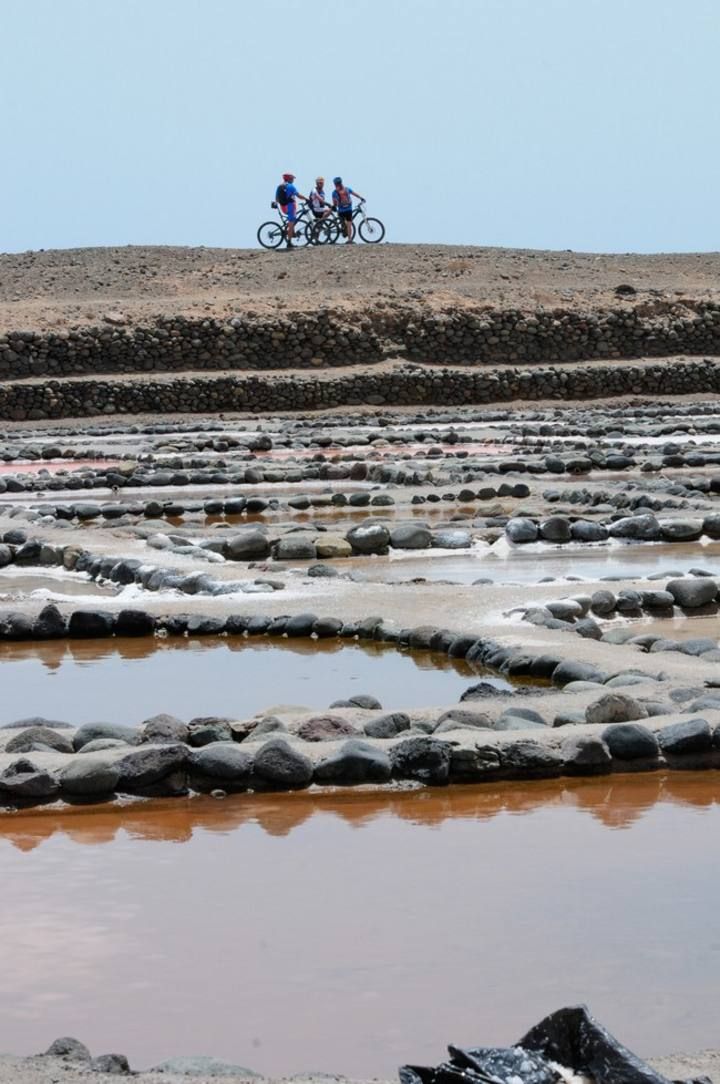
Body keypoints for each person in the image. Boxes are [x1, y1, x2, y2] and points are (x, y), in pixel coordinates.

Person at [275, 173, 307, 248]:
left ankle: (292, 232)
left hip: (283, 207)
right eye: (292, 178)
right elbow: (298, 195)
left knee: (292, 222)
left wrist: (277, 205)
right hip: (290, 207)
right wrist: (306, 199)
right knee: (291, 224)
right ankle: (289, 242)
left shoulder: (279, 186)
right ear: (289, 178)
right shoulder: (290, 186)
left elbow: (276, 198)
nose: (293, 180)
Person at [332, 177, 365, 243]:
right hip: (348, 210)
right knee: (349, 225)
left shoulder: (334, 192)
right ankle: (349, 239)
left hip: (341, 211)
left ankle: (344, 231)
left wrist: (334, 206)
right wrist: (361, 198)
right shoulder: (347, 189)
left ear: (335, 184)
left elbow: (334, 203)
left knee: (344, 225)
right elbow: (355, 194)